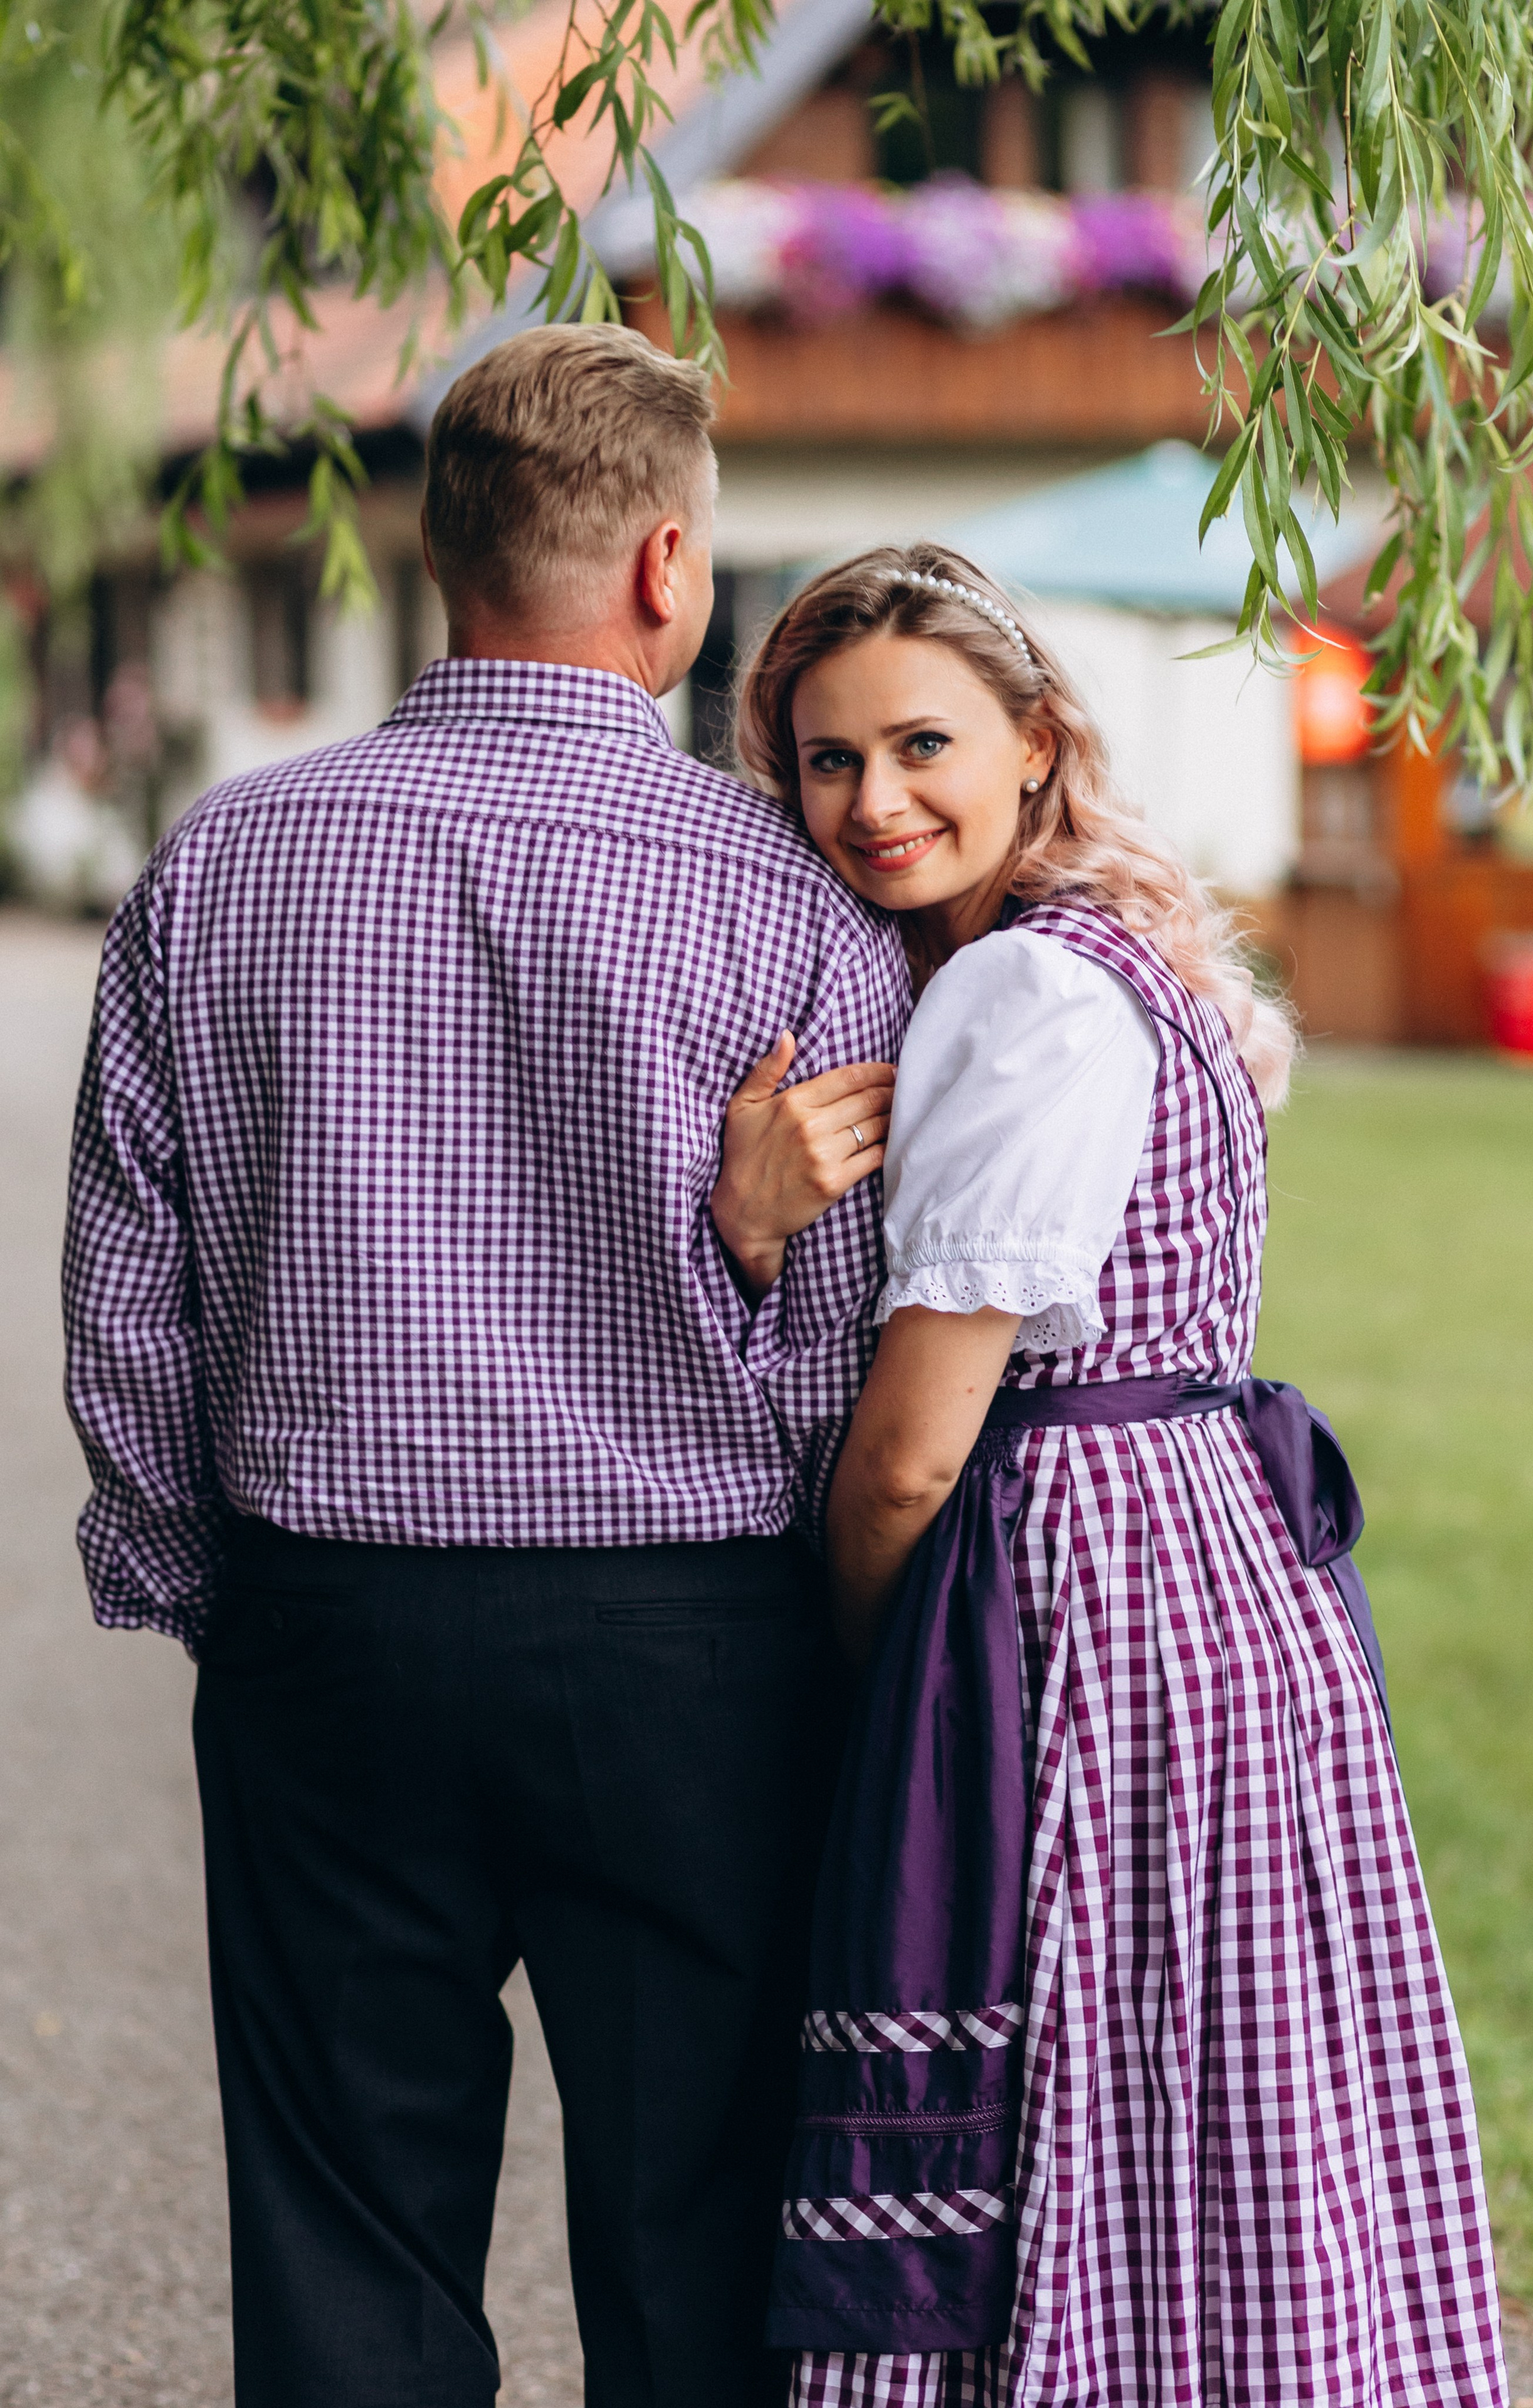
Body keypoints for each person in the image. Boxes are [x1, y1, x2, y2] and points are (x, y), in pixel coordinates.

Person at [61, 325, 906, 2408]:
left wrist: (216, 1589)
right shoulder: (785, 904)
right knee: (698, 2227)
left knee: (348, 2235)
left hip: (325, 1628)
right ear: (666, 571)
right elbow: (856, 1332)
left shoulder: (223, 867)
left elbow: (123, 1291)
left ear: (439, 553)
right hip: (690, 1650)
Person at [710, 545, 1509, 2408]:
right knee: (1194, 2077)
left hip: (1084, 1588)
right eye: (827, 761)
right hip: (1218, 1566)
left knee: (1067, 2053)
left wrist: (881, 1684)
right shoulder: (1127, 959)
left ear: (1039, 741)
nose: (874, 800)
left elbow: (909, 1458)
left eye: (923, 743)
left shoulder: (1021, 998)